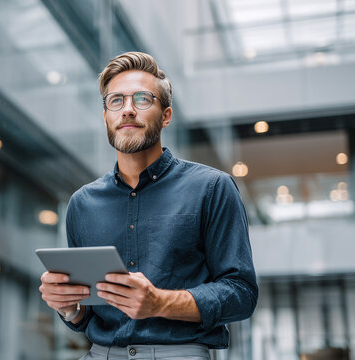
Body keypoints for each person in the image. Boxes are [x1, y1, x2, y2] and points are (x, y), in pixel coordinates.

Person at [39, 51, 258, 360]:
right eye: (116, 101)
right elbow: (88, 318)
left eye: (142, 100)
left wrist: (160, 302)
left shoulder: (212, 187)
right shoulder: (82, 203)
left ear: (166, 115)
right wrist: (69, 309)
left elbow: (242, 294)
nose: (127, 110)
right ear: (106, 117)